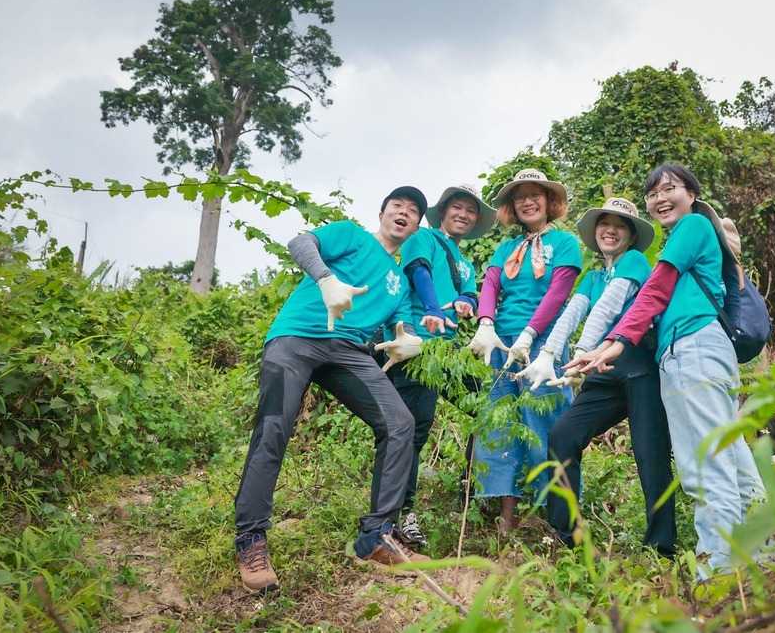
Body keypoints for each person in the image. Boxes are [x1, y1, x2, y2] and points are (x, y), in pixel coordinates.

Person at [569, 163, 765, 575]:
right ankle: (764, 561)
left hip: (692, 350)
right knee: (734, 461)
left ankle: (718, 577)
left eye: (670, 188)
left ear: (691, 194)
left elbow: (655, 291)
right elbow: (655, 303)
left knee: (705, 467)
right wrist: (607, 346)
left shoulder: (693, 227)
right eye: (652, 193)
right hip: (703, 351)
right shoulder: (690, 235)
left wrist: (614, 344)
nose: (660, 198)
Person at [233, 186, 431, 594]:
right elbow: (301, 242)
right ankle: (251, 539)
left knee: (400, 423)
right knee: (274, 428)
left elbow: (403, 323)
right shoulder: (352, 235)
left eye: (413, 211)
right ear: (382, 212)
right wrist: (325, 279)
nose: (404, 213)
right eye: (398, 205)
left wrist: (408, 338)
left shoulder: (398, 281)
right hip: (298, 336)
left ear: (415, 226)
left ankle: (376, 537)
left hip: (349, 350)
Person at [516, 197, 676, 556]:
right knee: (562, 434)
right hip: (603, 372)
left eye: (620, 226)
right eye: (605, 223)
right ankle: (566, 533)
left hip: (637, 368)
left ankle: (661, 547)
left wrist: (583, 357)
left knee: (650, 455)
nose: (611, 230)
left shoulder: (634, 262)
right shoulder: (592, 276)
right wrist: (548, 355)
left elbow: (607, 309)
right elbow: (572, 314)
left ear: (631, 236)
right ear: (595, 231)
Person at [466, 169, 582, 535]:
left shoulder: (565, 244)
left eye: (536, 195)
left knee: (545, 421)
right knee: (502, 423)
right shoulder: (505, 249)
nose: (528, 201)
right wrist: (485, 322)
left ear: (550, 202)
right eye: (520, 197)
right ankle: (507, 516)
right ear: (512, 207)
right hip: (502, 342)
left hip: (545, 346)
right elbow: (491, 285)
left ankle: (557, 517)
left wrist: (532, 334)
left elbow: (558, 293)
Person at [382, 183, 497, 548]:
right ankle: (401, 512)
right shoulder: (424, 238)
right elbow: (418, 272)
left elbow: (471, 292)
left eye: (470, 210)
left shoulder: (464, 260)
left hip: (447, 352)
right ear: (443, 211)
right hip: (415, 348)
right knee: (413, 431)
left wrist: (464, 300)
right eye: (457, 208)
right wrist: (432, 308)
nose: (463, 214)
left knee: (486, 408)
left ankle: (473, 491)